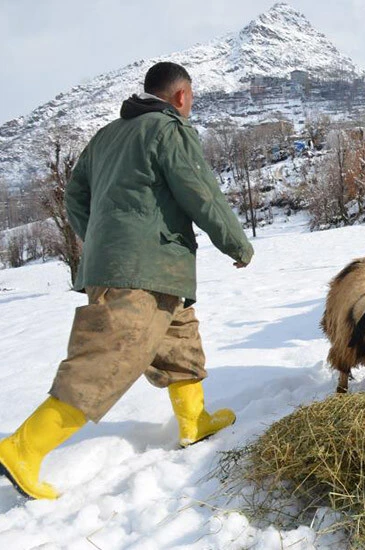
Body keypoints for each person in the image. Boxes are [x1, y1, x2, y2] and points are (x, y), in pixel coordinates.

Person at [0, 62, 254, 500]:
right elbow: (200, 191)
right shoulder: (168, 130)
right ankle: (21, 449)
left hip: (146, 268)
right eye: (190, 96)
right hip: (140, 272)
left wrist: (104, 237)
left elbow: (76, 196)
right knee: (105, 360)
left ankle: (194, 423)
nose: (190, 104)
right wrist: (236, 244)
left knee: (179, 343)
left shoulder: (105, 136)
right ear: (180, 96)